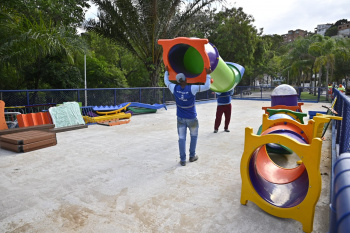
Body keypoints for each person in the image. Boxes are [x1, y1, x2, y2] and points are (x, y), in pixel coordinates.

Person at [164, 66, 211, 166]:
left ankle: (182, 160)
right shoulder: (192, 88)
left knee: (181, 138)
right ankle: (192, 156)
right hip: (192, 118)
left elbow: (166, 82)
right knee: (193, 136)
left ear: (177, 81)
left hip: (180, 118)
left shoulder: (174, 88)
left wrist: (166, 72)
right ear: (186, 79)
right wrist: (207, 74)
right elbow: (207, 86)